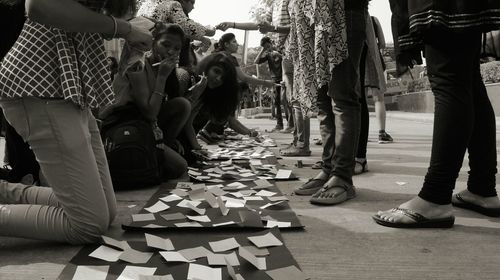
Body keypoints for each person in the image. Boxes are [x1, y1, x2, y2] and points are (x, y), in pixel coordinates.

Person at [0, 0, 152, 244]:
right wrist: (124, 29)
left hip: (67, 87)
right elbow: (38, 6)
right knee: (89, 225)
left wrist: (127, 28)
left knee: (106, 213)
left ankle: (4, 192)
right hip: (40, 85)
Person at [374, 0, 500, 228]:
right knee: (469, 82)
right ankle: (482, 188)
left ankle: (436, 197)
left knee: (449, 79)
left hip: (441, 5)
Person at [293, 0, 367, 206]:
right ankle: (328, 170)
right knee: (323, 100)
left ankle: (342, 176)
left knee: (341, 95)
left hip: (345, 11)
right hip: (310, 19)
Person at [100, 23, 189, 179]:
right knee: (179, 167)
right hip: (123, 122)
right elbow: (150, 113)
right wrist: (162, 78)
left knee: (182, 105)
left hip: (144, 123)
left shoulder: (164, 69)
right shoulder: (137, 64)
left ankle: (160, 149)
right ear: (153, 42)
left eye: (176, 48)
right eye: (166, 45)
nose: (171, 52)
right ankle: (149, 159)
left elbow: (163, 108)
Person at [188, 53, 258, 144]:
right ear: (207, 67)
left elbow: (187, 123)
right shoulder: (188, 81)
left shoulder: (215, 94)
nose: (218, 78)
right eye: (216, 71)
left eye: (223, 78)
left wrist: (249, 132)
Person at [355, 14, 393, 175]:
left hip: (360, 55)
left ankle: (356, 151)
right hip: (371, 57)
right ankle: (381, 132)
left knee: (358, 97)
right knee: (378, 98)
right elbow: (382, 43)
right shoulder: (373, 20)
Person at [137, 0, 215, 69]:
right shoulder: (172, 4)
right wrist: (211, 31)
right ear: (183, 1)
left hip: (138, 50)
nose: (193, 7)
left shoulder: (146, 3)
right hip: (155, 55)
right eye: (192, 2)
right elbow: (187, 27)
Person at [255, 36, 287, 132]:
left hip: (284, 77)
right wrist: (262, 50)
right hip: (274, 79)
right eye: (265, 47)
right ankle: (279, 124)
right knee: (276, 102)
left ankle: (291, 124)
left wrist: (279, 53)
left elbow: (287, 58)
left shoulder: (280, 49)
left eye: (267, 45)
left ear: (271, 42)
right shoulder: (268, 55)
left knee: (286, 101)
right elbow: (256, 61)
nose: (267, 48)